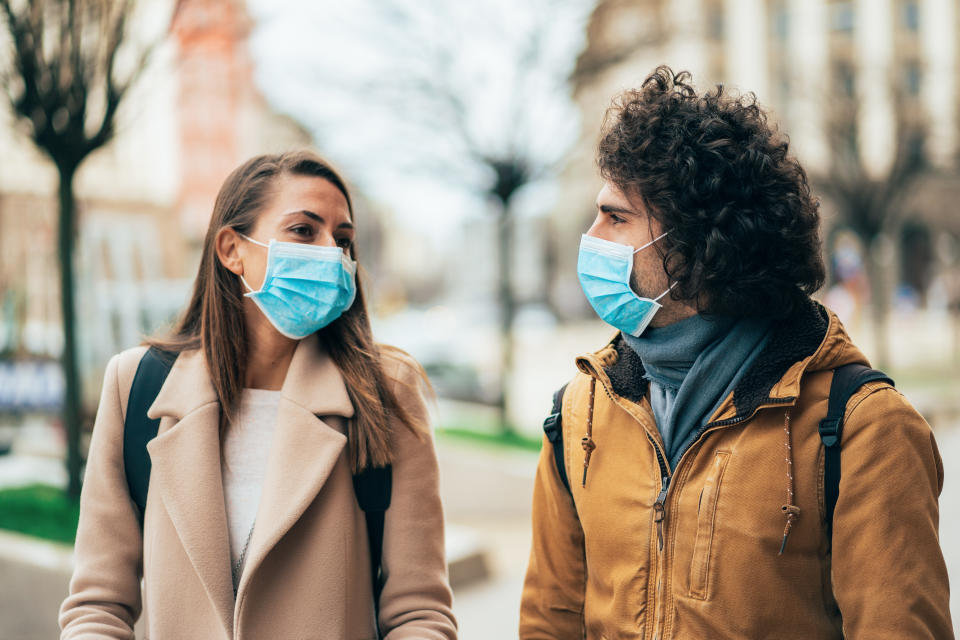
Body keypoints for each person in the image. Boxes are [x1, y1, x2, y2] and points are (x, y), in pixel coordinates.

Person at [520, 67, 952, 639]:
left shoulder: (863, 429)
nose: (592, 233)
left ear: (700, 246)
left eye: (616, 216)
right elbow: (549, 622)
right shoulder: (581, 411)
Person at [60, 151, 458, 639]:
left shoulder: (385, 395)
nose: (331, 252)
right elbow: (97, 606)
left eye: (344, 239)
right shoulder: (136, 386)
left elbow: (420, 614)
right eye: (303, 230)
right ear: (231, 249)